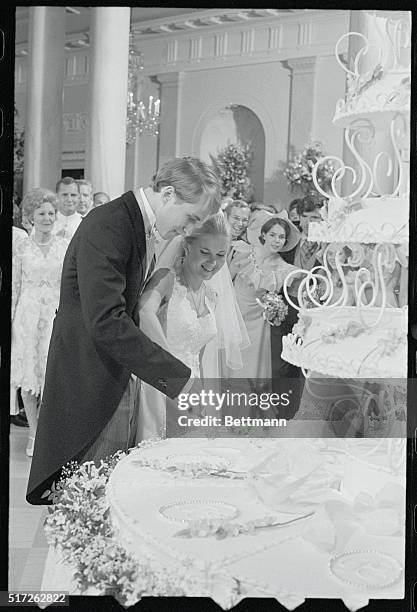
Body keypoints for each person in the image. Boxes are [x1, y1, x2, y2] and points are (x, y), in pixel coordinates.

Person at [27, 157, 221, 505]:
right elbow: (108, 321)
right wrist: (181, 380)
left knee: (110, 498)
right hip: (91, 383)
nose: (190, 229)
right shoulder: (111, 223)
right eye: (191, 216)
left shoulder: (133, 222)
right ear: (167, 194)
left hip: (114, 378)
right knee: (90, 503)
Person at [137, 212, 249, 438]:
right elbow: (144, 312)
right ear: (187, 247)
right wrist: (174, 373)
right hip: (158, 384)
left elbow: (197, 355)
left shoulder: (212, 296)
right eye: (204, 252)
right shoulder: (166, 279)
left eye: (220, 255)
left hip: (191, 390)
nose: (213, 262)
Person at [11, 188, 68, 456]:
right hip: (27, 315)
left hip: (55, 314)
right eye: (42, 213)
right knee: (28, 375)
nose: (47, 218)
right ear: (31, 216)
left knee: (51, 373)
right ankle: (33, 433)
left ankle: (48, 434)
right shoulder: (21, 246)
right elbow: (15, 285)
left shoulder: (64, 245)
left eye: (51, 213)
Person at [229, 213, 301, 403]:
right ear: (263, 235)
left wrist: (275, 306)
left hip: (259, 325)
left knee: (252, 367)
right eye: (273, 235)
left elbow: (299, 296)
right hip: (234, 317)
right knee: (231, 366)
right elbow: (226, 284)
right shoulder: (244, 253)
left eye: (281, 237)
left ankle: (247, 415)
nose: (277, 241)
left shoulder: (286, 269)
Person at [291, 195, 323, 270]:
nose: (308, 222)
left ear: (324, 219)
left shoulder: (329, 245)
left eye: (315, 217)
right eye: (304, 216)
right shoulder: (288, 239)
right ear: (299, 216)